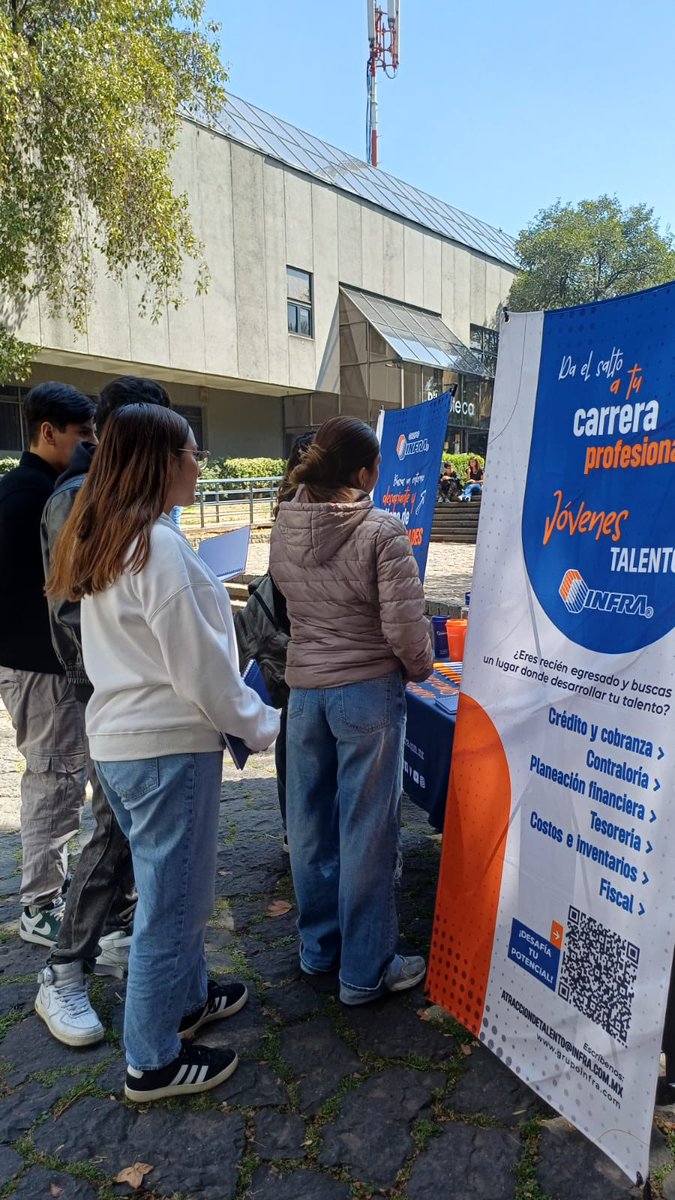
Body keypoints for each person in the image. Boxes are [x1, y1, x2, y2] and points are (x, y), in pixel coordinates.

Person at [47, 403, 279, 1100]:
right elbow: (202, 673)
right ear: (161, 462)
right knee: (171, 906)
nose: (198, 463)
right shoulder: (159, 547)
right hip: (163, 749)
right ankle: (150, 1060)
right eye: (190, 452)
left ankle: (186, 1002)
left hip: (125, 743)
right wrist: (264, 725)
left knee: (168, 894)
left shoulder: (112, 539)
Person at [269, 415, 434, 1006]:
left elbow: (288, 604)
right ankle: (366, 969)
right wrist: (422, 668)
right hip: (366, 691)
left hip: (305, 693)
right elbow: (404, 629)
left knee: (309, 825)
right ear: (365, 472)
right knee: (367, 829)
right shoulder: (383, 530)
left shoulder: (283, 520)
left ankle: (319, 948)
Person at [36, 377, 171, 1048]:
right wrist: (115, 685)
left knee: (132, 835)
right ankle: (63, 969)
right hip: (110, 703)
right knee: (109, 832)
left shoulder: (132, 499)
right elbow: (71, 615)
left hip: (143, 703)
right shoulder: (76, 502)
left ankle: (117, 937)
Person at [0, 382, 96, 946]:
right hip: (42, 666)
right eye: (82, 436)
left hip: (33, 662)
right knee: (55, 779)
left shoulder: (25, 488)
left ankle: (46, 895)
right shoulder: (37, 497)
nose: (88, 447)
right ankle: (40, 905)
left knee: (55, 774)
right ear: (47, 432)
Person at [234, 432, 315, 852]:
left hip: (288, 641)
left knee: (293, 736)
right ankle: (300, 834)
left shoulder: (286, 507)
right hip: (301, 642)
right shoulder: (311, 511)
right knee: (301, 739)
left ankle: (293, 832)